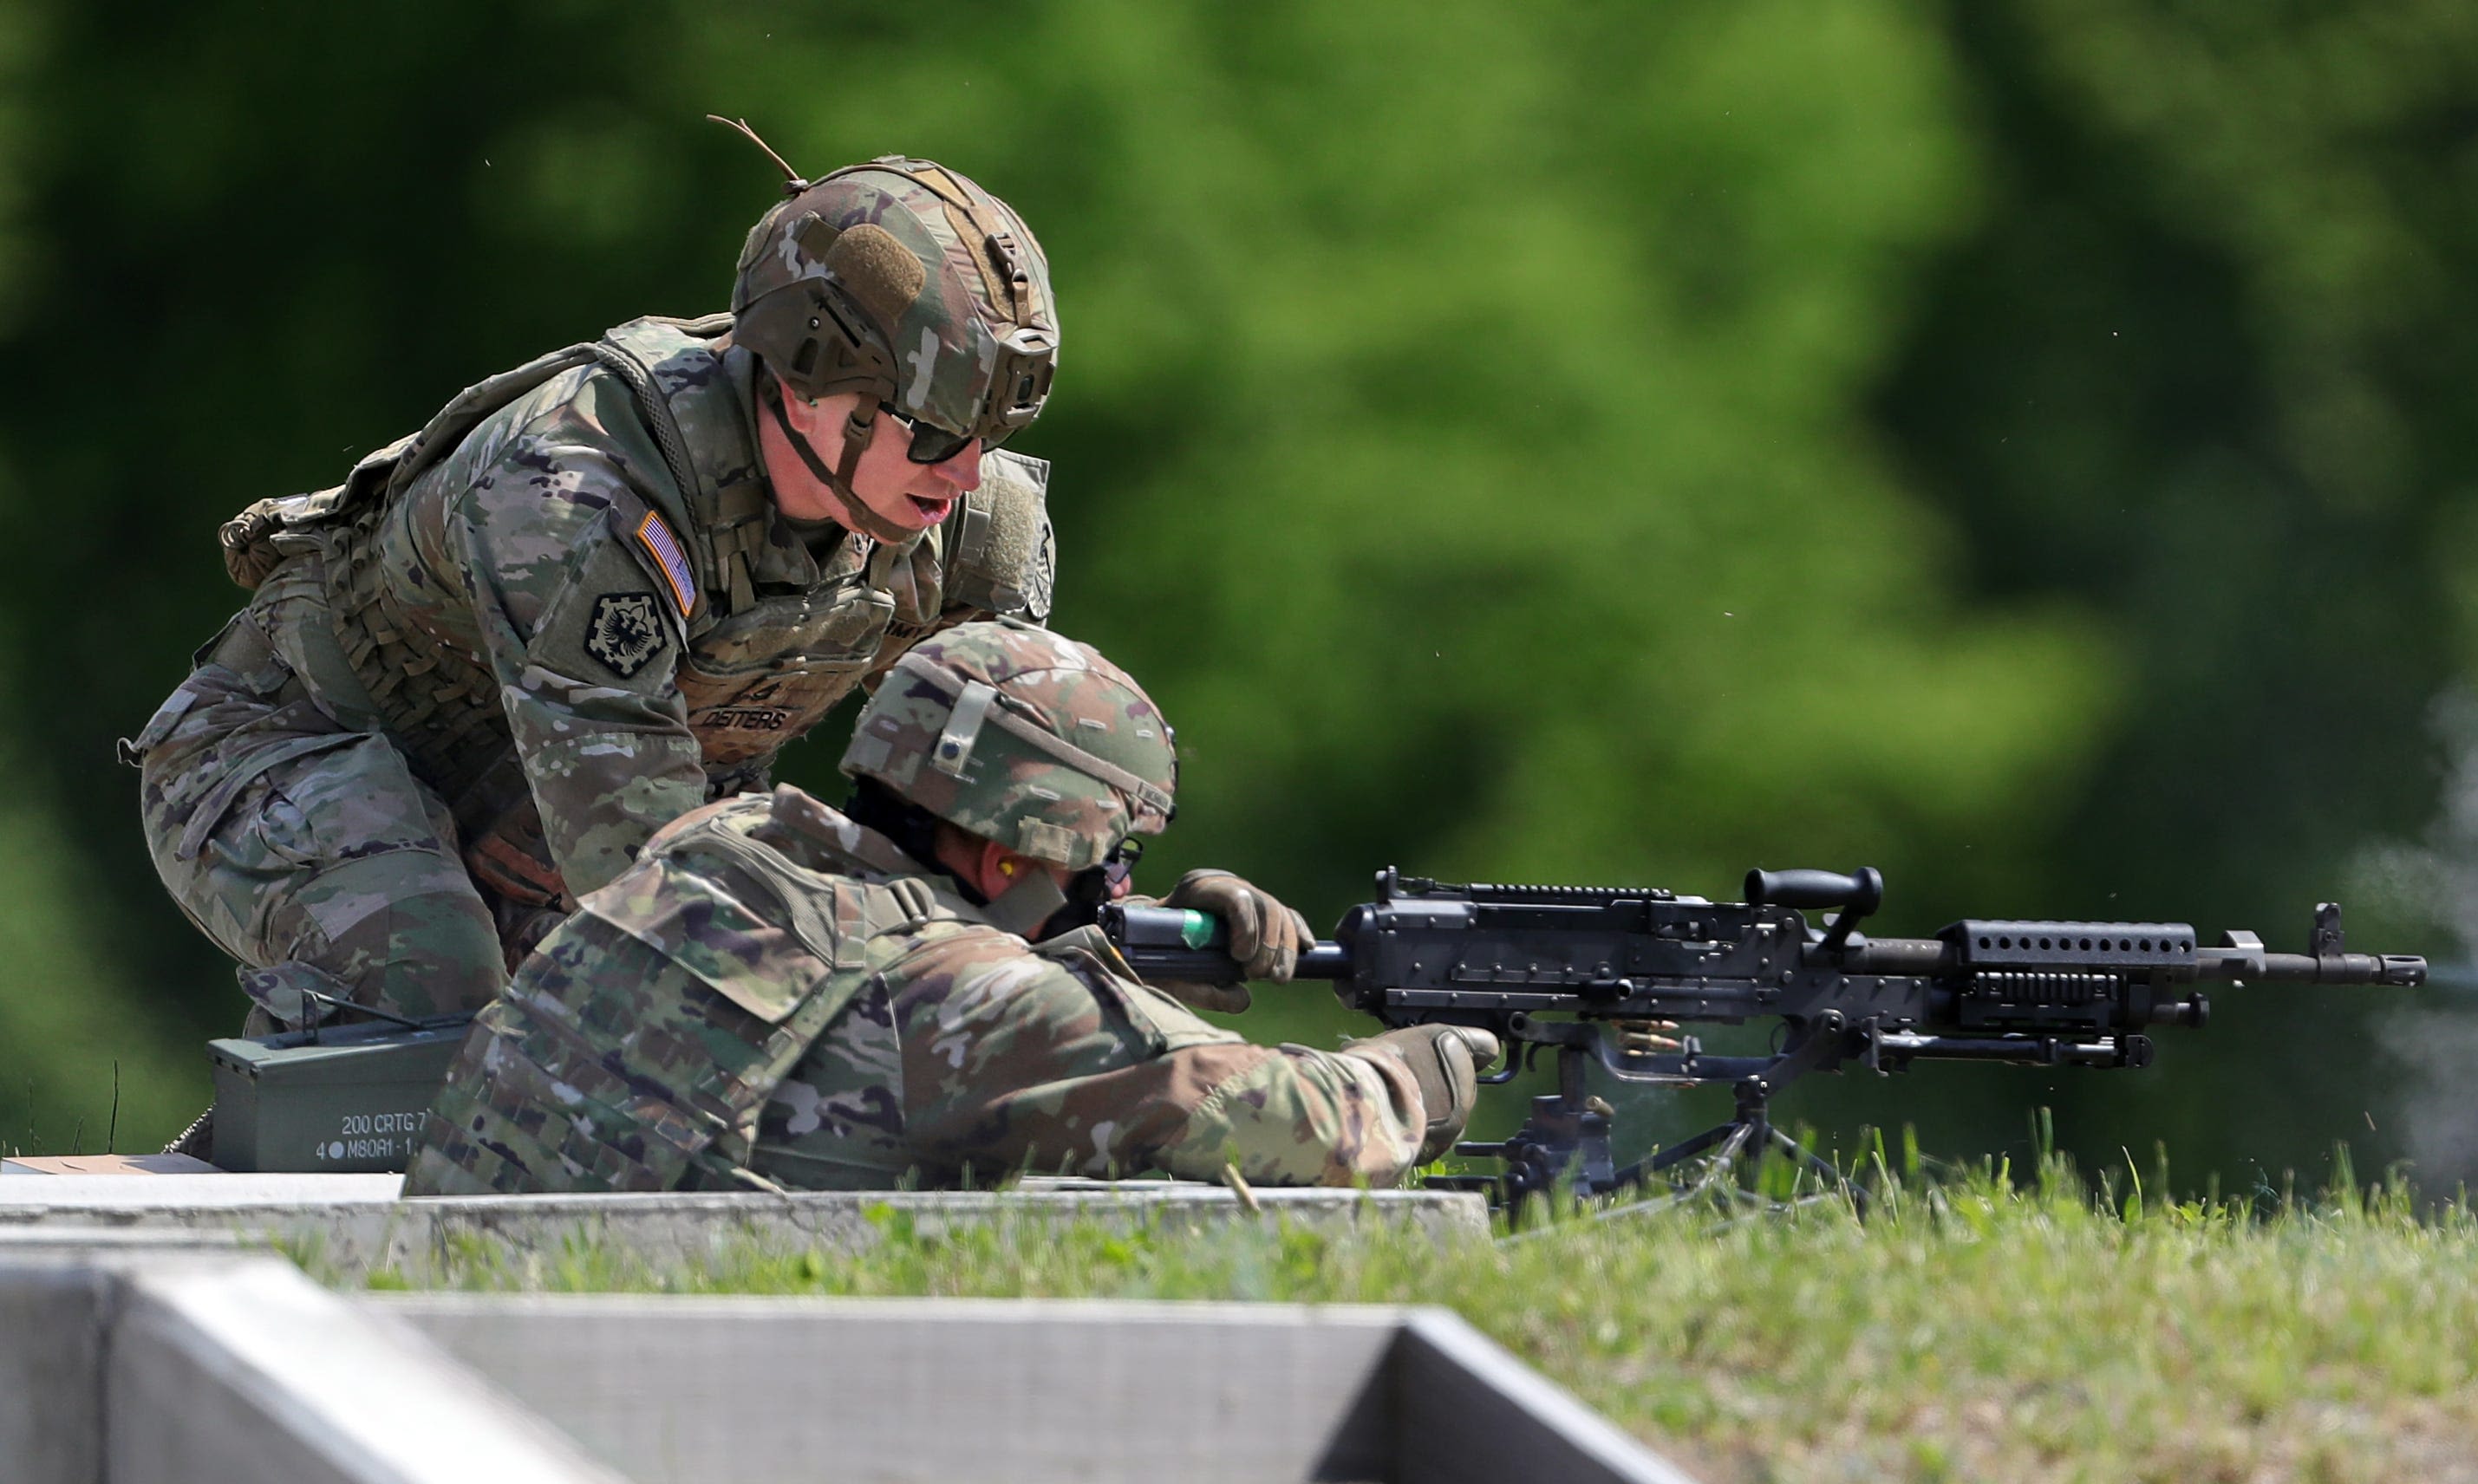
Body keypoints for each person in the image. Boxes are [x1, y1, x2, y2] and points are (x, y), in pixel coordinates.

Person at [127, 145, 1072, 1033]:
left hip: (555, 832)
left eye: (988, 432)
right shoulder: (580, 490)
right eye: (938, 431)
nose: (965, 474)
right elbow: (646, 885)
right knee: (435, 980)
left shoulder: (967, 522)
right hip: (296, 756)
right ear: (810, 379)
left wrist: (1094, 929)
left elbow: (999, 822)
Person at [404, 621, 1498, 1194]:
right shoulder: (960, 999)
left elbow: (897, 981)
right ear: (995, 845)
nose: (1114, 885)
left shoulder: (716, 847)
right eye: (1106, 855)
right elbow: (1304, 1123)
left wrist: (1117, 940)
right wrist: (1426, 1069)